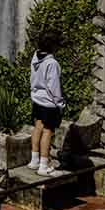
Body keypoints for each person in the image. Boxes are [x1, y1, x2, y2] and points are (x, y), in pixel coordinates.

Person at [30, 34, 66, 176]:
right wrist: (60, 103)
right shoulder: (52, 63)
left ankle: (34, 160)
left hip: (37, 98)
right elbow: (54, 86)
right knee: (48, 131)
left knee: (38, 126)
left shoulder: (35, 57)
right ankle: (44, 165)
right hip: (49, 102)